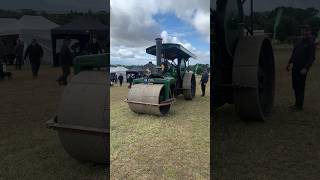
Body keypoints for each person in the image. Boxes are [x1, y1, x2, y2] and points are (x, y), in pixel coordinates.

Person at [286, 25, 316, 111]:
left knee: (300, 87)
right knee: (295, 86)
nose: (304, 32)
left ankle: (299, 106)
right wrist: (289, 62)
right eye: (302, 31)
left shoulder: (311, 43)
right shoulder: (299, 42)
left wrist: (306, 68)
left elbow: (312, 57)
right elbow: (294, 53)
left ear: (309, 31)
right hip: (295, 68)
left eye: (306, 31)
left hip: (302, 69)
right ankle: (296, 104)